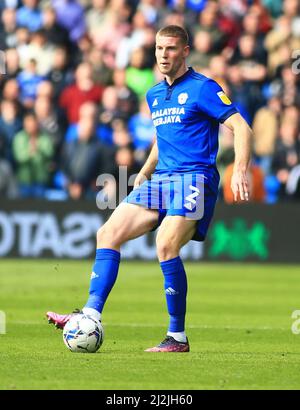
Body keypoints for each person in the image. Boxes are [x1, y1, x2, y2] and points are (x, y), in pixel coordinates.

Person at [47, 25, 252, 353]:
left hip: (194, 178)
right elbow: (163, 137)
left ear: (185, 51)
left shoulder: (203, 89)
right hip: (161, 180)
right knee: (107, 233)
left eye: (170, 49)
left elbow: (241, 126)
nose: (163, 55)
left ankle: (177, 337)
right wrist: (143, 172)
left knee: (166, 243)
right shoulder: (155, 94)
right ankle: (90, 315)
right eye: (159, 49)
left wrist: (240, 169)